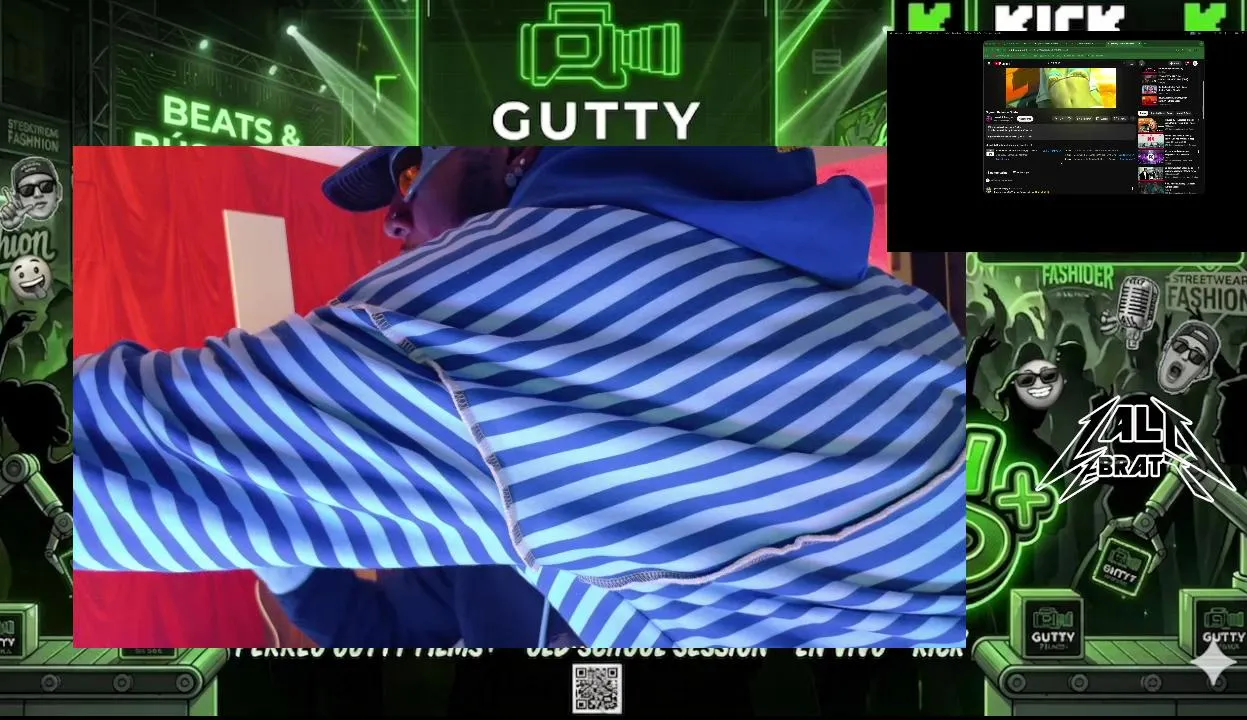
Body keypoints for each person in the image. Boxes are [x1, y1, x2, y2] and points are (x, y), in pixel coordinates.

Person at [73, 146, 967, 648]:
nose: (394, 220)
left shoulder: (475, 325)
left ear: (513, 150)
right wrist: (278, 541)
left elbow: (88, 466)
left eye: (409, 173)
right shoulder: (915, 324)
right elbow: (393, 629)